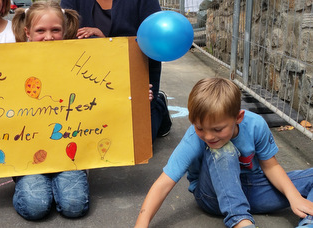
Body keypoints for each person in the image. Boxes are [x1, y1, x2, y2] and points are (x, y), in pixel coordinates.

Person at [134, 77, 313, 228]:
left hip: (252, 189)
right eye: (199, 127)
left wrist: (295, 197)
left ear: (238, 118)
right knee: (222, 149)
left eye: (218, 129)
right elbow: (164, 182)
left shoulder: (256, 125)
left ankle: (308, 223)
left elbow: (271, 166)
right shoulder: (195, 138)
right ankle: (240, 220)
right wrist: (141, 223)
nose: (208, 136)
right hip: (211, 195)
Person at [60, 0, 171, 142]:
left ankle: (157, 106)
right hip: (87, 71)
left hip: (133, 70)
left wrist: (108, 43)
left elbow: (154, 42)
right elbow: (65, 32)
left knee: (133, 139)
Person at [11, 0, 89, 221]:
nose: (48, 36)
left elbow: (101, 97)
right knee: (36, 208)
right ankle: (33, 184)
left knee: (74, 207)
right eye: (40, 30)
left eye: (55, 30)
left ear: (64, 31)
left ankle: (60, 183)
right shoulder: (10, 63)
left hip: (67, 152)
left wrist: (138, 96)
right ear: (27, 32)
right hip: (27, 154)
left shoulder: (78, 62)